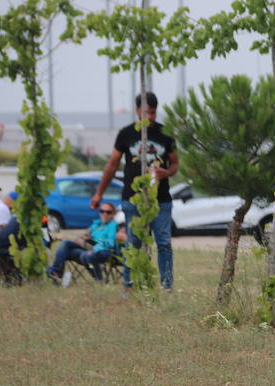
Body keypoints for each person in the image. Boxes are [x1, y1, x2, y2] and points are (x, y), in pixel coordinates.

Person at [91, 92, 178, 290]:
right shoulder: (126, 134)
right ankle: (129, 284)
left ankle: (167, 285)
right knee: (133, 241)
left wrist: (167, 173)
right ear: (138, 110)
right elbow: (112, 165)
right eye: (147, 112)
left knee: (163, 241)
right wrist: (99, 193)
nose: (150, 117)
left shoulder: (166, 134)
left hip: (161, 199)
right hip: (132, 198)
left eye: (154, 113)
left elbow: (174, 165)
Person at [46, 202, 119, 283]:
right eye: (102, 211)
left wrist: (88, 241)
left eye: (108, 212)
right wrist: (82, 239)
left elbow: (109, 244)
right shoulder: (96, 224)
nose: (104, 214)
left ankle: (99, 279)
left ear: (113, 214)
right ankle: (56, 272)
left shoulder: (113, 225)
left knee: (85, 254)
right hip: (88, 249)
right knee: (65, 245)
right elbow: (85, 236)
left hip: (102, 252)